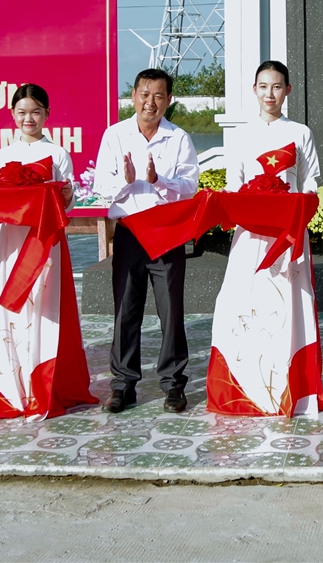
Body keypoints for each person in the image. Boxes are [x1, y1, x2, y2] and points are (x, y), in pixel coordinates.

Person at [208, 60, 323, 416]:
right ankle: (246, 384)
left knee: (289, 304)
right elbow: (232, 185)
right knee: (244, 302)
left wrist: (297, 208)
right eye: (263, 86)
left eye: (276, 86)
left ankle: (289, 387)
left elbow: (311, 183)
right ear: (254, 90)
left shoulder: (301, 132)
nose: (269, 94)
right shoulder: (241, 135)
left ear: (288, 90)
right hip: (250, 235)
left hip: (288, 235)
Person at [0, 84, 96, 419]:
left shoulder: (58, 153)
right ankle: (14, 386)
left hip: (45, 242)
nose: (28, 118)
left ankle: (44, 385)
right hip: (11, 242)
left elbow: (68, 203)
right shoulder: (1, 156)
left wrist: (65, 195)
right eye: (21, 112)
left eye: (35, 111)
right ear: (12, 115)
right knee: (12, 311)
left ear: (47, 114)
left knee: (44, 308)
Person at [93, 68, 199, 414]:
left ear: (168, 100)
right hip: (130, 231)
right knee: (125, 310)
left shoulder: (179, 137)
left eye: (158, 95)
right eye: (143, 93)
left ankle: (173, 385)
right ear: (133, 96)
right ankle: (123, 385)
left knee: (171, 312)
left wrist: (158, 179)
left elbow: (190, 187)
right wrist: (126, 181)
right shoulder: (116, 135)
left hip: (167, 231)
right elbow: (101, 187)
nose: (149, 102)